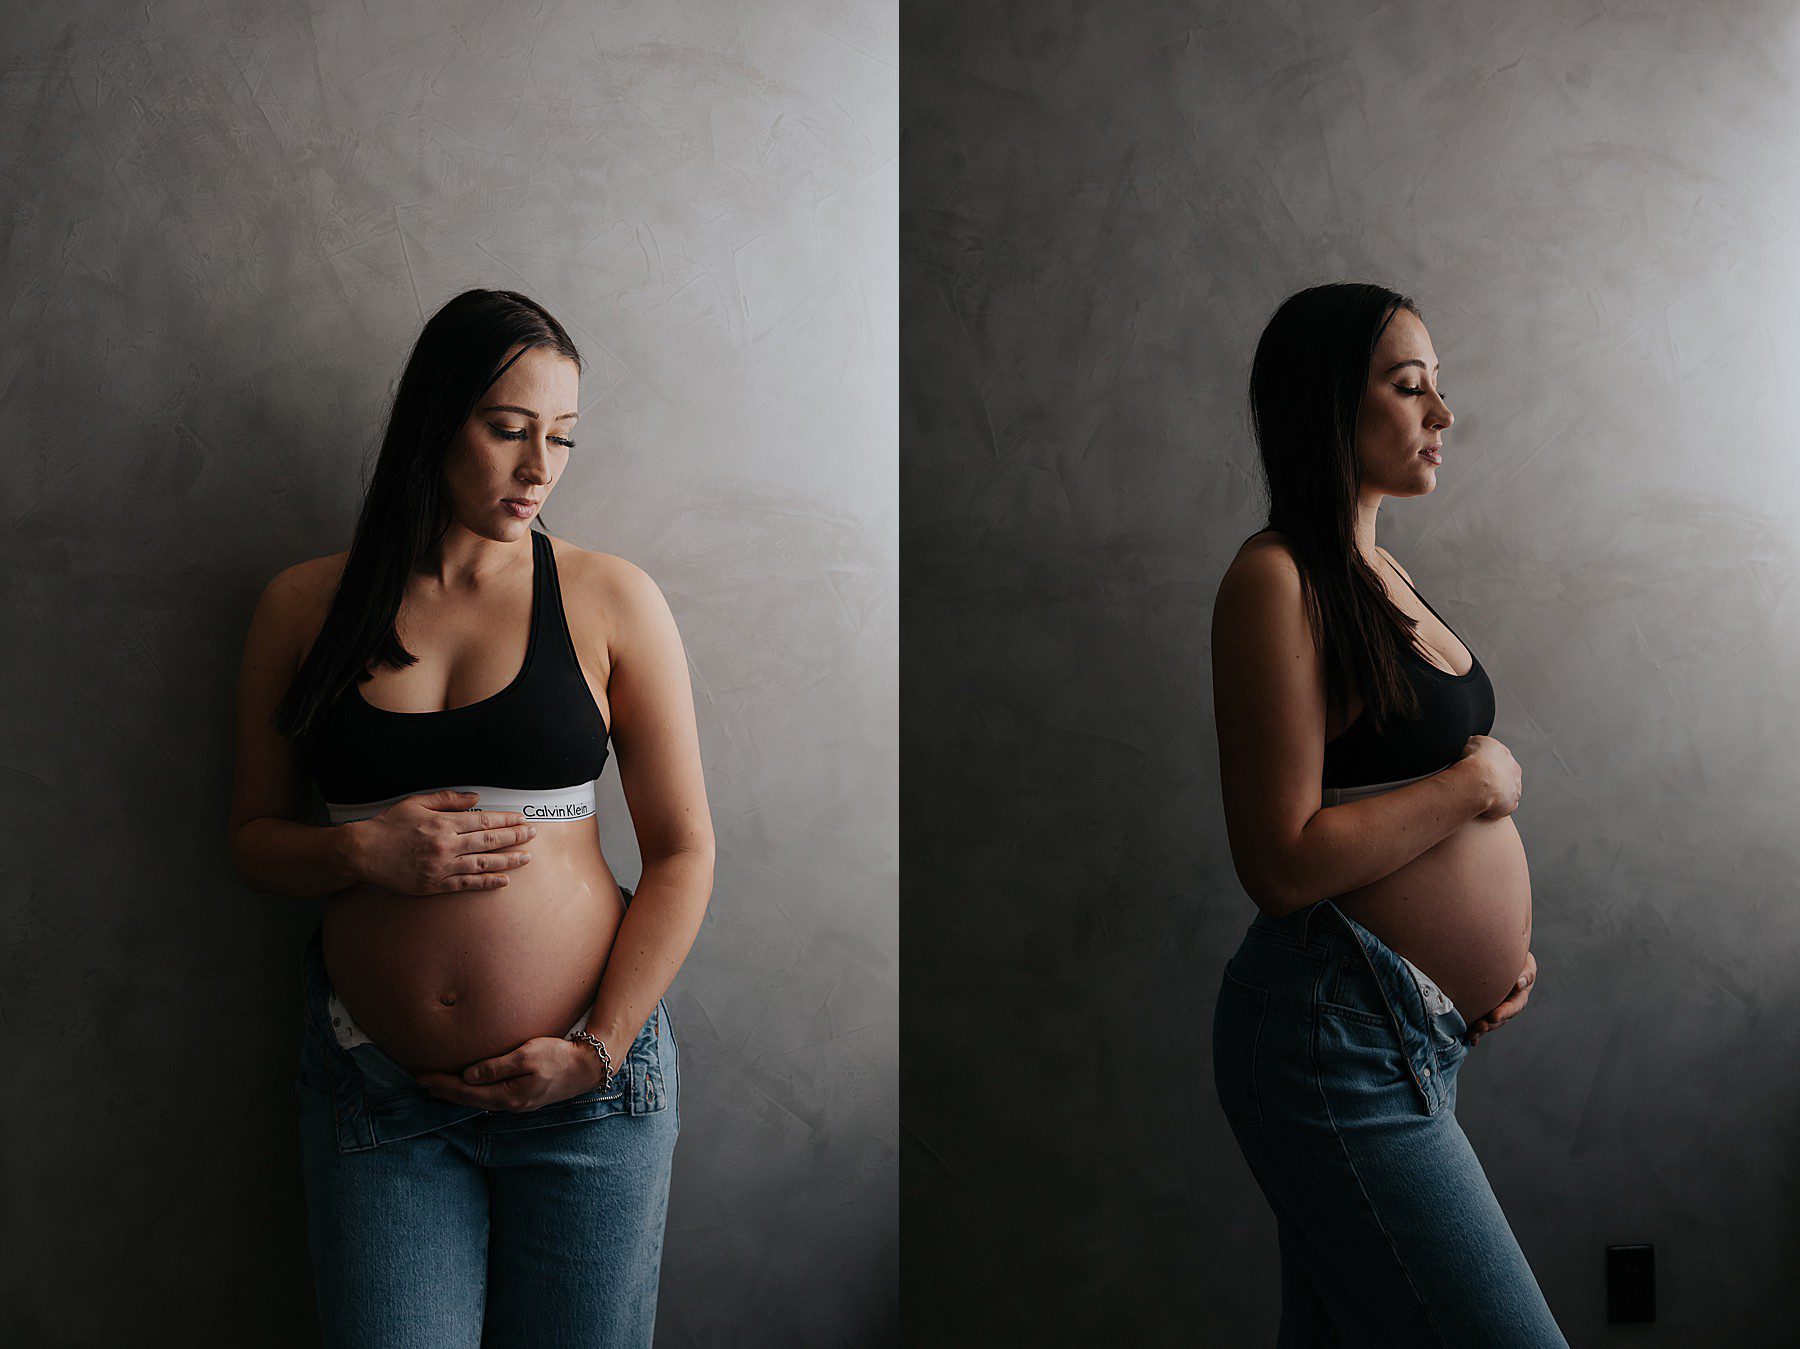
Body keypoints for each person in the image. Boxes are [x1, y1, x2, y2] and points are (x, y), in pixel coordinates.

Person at [227, 288, 715, 1347]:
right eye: (508, 429)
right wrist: (357, 848)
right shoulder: (303, 607)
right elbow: (253, 838)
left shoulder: (608, 597)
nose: (539, 466)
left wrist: (598, 1046)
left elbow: (683, 851)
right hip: (381, 1093)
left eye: (563, 438)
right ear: (435, 421)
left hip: (587, 1098)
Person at [1208, 283, 1564, 1346]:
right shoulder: (1276, 579)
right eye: (1412, 388)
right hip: (1332, 1029)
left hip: (1411, 1028)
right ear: (1331, 406)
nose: (1441, 415)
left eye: (1438, 388)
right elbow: (1279, 859)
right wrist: (1474, 788)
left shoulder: (1385, 569)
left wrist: (1487, 962)